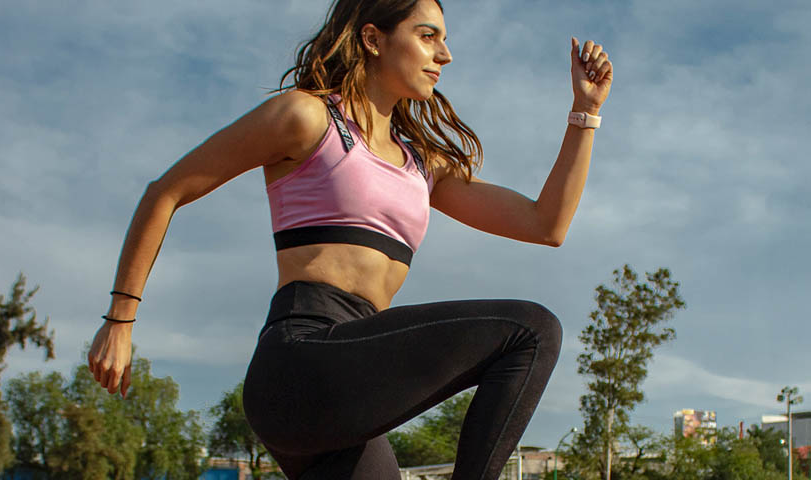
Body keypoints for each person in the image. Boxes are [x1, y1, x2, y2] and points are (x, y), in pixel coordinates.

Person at [87, 0, 613, 478]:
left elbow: (547, 225)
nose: (445, 55)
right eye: (428, 36)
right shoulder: (306, 116)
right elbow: (166, 192)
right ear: (372, 38)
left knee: (530, 332)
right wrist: (120, 320)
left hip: (352, 374)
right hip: (303, 357)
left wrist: (585, 114)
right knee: (531, 331)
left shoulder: (421, 164)